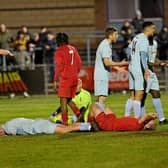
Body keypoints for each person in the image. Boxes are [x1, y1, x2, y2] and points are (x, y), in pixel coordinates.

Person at [125, 22, 156, 118]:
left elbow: (128, 50)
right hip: (138, 68)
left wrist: (130, 59)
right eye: (153, 28)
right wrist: (146, 70)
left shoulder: (136, 37)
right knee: (139, 94)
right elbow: (143, 56)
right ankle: (136, 120)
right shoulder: (144, 39)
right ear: (148, 29)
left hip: (131, 67)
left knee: (132, 95)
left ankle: (126, 117)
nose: (154, 31)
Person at [94, 27, 128, 111]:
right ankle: (98, 119)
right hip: (101, 75)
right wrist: (120, 63)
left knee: (99, 99)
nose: (117, 36)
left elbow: (108, 61)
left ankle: (93, 119)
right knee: (102, 98)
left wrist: (118, 68)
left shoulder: (106, 44)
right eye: (115, 34)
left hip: (101, 75)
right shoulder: (105, 45)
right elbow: (107, 62)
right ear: (110, 35)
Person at [53, 32, 82, 125]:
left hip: (66, 78)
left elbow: (59, 66)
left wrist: (55, 79)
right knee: (68, 99)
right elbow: (79, 62)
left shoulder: (59, 51)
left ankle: (64, 122)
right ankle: (78, 113)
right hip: (74, 78)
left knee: (63, 101)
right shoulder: (73, 48)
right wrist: (75, 73)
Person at [140, 35, 168, 124]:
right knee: (142, 97)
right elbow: (144, 60)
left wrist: (162, 62)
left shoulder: (155, 43)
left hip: (152, 73)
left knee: (156, 94)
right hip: (144, 73)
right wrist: (159, 64)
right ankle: (143, 119)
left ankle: (162, 119)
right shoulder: (143, 44)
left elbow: (153, 58)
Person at [89, 103, 157, 132]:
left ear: (147, 126)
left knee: (93, 106)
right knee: (107, 109)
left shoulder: (138, 125)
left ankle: (91, 125)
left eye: (149, 121)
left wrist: (152, 116)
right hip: (114, 121)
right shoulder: (139, 124)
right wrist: (151, 118)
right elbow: (145, 118)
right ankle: (96, 123)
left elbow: (146, 116)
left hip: (108, 125)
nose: (148, 120)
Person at [0, 117, 92, 136]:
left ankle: (88, 128)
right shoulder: (10, 122)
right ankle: (88, 124)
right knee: (67, 127)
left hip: (39, 127)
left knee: (66, 130)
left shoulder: (8, 127)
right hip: (40, 122)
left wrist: (5, 136)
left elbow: (12, 134)